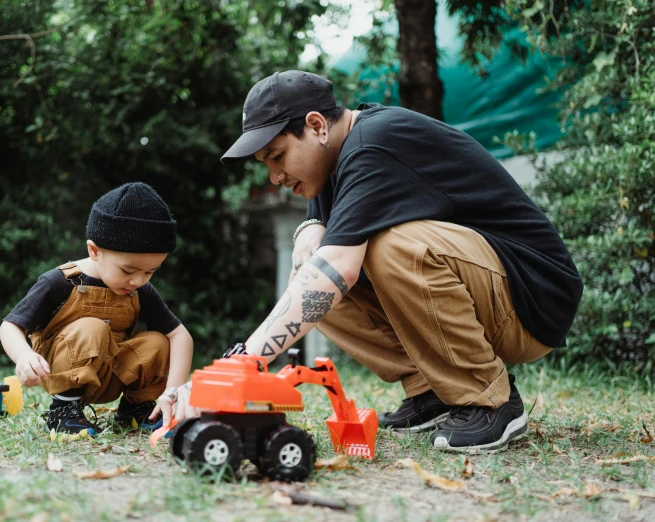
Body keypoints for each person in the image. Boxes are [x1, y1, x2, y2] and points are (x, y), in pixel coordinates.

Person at [174, 70, 583, 453]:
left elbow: (338, 268)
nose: (275, 177)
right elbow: (321, 258)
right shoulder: (332, 160)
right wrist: (309, 227)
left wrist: (242, 363)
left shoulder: (375, 142)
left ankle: (488, 401)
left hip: (531, 298)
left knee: (388, 249)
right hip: (489, 291)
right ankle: (433, 389)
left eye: (277, 156)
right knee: (312, 274)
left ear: (317, 126)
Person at [0, 182, 193, 436]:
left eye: (150, 272)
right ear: (94, 250)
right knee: (92, 327)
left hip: (111, 375)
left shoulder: (140, 290)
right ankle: (63, 412)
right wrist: (24, 356)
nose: (138, 281)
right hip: (61, 371)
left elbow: (181, 336)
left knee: (158, 341)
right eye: (128, 270)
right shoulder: (58, 282)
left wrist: (173, 392)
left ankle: (136, 409)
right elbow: (10, 326)